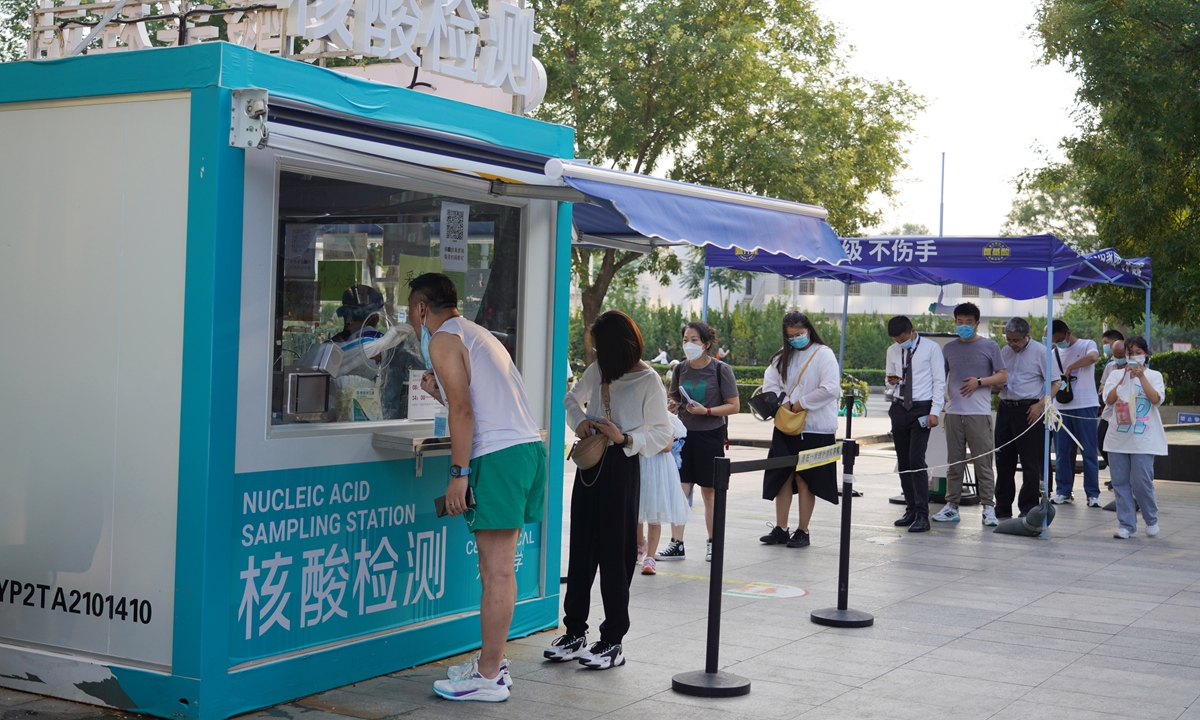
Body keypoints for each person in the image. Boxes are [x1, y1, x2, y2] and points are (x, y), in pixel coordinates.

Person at [408, 275, 546, 703]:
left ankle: (487, 677)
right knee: (499, 569)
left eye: (411, 310)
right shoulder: (476, 333)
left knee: (496, 570)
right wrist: (442, 397)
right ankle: (493, 664)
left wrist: (458, 473)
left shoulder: (442, 339)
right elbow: (473, 404)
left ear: (421, 308)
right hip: (524, 451)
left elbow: (464, 412)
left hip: (500, 457)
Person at [552, 310, 673, 669]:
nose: (596, 354)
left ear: (620, 345)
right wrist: (581, 421)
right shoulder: (599, 370)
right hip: (590, 463)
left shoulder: (649, 380)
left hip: (622, 465)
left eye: (601, 347)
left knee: (616, 554)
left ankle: (613, 640)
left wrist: (626, 438)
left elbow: (663, 434)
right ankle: (575, 631)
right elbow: (570, 399)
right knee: (581, 548)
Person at [758, 312, 840, 548]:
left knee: (805, 479)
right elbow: (770, 383)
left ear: (809, 330)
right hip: (786, 425)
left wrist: (801, 403)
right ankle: (781, 528)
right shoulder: (782, 356)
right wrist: (784, 402)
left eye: (799, 334)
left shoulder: (823, 353)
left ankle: (803, 530)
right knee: (783, 476)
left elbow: (830, 388)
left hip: (815, 427)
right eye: (790, 336)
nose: (795, 339)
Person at [660, 322, 739, 562]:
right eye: (686, 339)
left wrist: (707, 411)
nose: (689, 344)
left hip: (710, 435)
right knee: (680, 490)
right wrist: (673, 406)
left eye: (694, 340)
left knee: (709, 492)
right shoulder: (680, 369)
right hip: (684, 437)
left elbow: (734, 406)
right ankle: (677, 544)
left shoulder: (721, 369)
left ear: (706, 344)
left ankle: (714, 542)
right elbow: (674, 399)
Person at [932, 303, 1006, 526]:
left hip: (979, 413)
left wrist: (979, 382)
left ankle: (988, 507)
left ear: (977, 323)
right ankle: (951, 506)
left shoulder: (990, 346)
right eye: (959, 322)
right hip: (953, 413)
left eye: (968, 322)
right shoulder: (949, 348)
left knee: (983, 463)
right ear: (955, 322)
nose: (963, 326)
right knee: (954, 463)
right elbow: (940, 377)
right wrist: (939, 400)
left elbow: (1002, 376)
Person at [885, 316, 945, 533]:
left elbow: (939, 381)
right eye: (896, 340)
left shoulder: (931, 348)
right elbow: (887, 379)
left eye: (903, 339)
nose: (900, 343)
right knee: (903, 461)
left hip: (921, 408)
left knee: (916, 460)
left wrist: (934, 412)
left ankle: (922, 514)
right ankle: (910, 509)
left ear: (912, 331)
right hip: (899, 407)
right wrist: (891, 380)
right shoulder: (892, 350)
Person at [995, 317, 1060, 519]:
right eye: (1008, 339)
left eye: (1016, 340)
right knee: (1003, 460)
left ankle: (1028, 507)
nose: (1011, 344)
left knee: (1031, 462)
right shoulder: (1004, 351)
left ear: (1027, 336)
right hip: (1006, 407)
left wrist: (1040, 405)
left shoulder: (1041, 352)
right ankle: (1002, 506)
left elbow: (1056, 382)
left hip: (1030, 409)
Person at [1102, 336, 1165, 539]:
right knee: (1120, 483)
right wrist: (1124, 378)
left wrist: (1141, 377)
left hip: (1144, 440)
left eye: (1139, 353)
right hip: (1117, 440)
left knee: (1142, 482)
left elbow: (1155, 399)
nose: (1134, 357)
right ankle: (1127, 525)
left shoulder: (1154, 376)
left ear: (1146, 354)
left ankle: (1151, 520)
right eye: (1130, 353)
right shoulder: (1115, 375)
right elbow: (1109, 400)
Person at [1049, 319, 1102, 507]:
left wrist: (1071, 366)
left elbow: (1093, 357)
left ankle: (1093, 494)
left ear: (1068, 333)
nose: (1057, 344)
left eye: (1059, 339)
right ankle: (1063, 491)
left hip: (1085, 405)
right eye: (1054, 341)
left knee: (1089, 451)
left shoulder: (1087, 344)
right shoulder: (1053, 353)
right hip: (1061, 408)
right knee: (1062, 452)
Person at [635, 413, 690, 575]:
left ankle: (650, 557)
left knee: (654, 513)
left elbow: (666, 446)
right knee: (636, 511)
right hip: (638, 465)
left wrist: (640, 445)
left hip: (658, 468)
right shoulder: (635, 415)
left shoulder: (667, 418)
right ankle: (640, 544)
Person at [1098, 331, 1126, 468]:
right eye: (1116, 356)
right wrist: (1104, 390)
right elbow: (1102, 385)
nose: (1118, 359)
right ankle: (1115, 469)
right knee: (1101, 440)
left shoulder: (1133, 368)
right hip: (1109, 411)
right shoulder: (1110, 366)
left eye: (1122, 356)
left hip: (1126, 411)